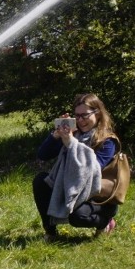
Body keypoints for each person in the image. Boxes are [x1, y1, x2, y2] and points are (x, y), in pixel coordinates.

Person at [33, 93, 119, 241]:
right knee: (40, 181)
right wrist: (56, 135)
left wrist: (71, 143)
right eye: (77, 116)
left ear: (97, 114)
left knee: (77, 217)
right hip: (70, 187)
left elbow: (91, 170)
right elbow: (43, 154)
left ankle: (105, 221)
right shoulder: (73, 135)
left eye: (84, 115)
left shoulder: (107, 140)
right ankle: (50, 232)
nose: (80, 120)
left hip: (96, 195)